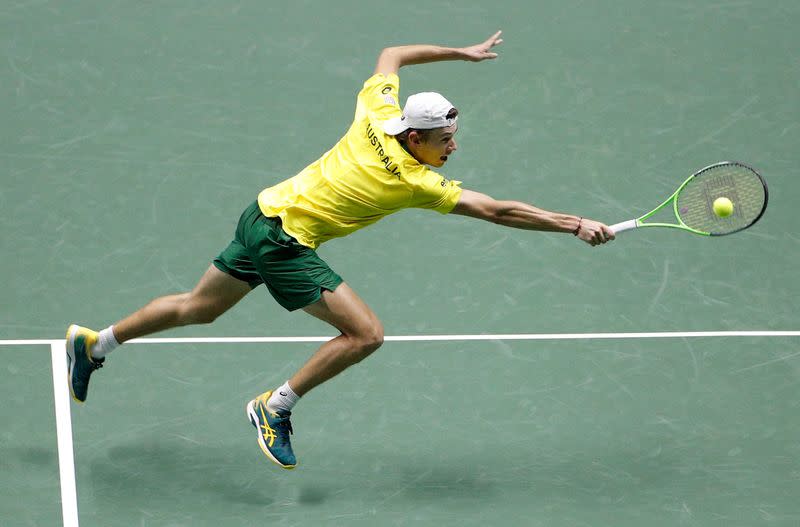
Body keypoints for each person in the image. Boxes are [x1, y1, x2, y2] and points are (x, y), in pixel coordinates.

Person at [66, 31, 615, 470]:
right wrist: (576, 224)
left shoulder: (377, 112)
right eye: (444, 139)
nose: (454, 146)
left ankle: (96, 344)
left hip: (262, 212)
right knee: (366, 334)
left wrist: (461, 54)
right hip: (285, 241)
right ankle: (274, 406)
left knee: (198, 307)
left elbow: (392, 54)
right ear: (415, 139)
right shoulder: (412, 181)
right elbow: (497, 210)